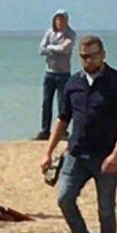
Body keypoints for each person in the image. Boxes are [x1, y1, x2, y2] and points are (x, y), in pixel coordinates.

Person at [40, 35, 117, 233]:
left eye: (92, 55)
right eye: (83, 56)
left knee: (106, 211)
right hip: (76, 153)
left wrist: (116, 154)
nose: (87, 60)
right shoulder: (73, 83)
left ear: (103, 55)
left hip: (106, 157)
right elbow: (63, 119)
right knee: (64, 199)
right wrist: (48, 151)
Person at [35, 10, 76, 140]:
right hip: (50, 73)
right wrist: (55, 49)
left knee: (63, 104)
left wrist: (50, 48)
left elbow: (65, 48)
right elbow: (41, 49)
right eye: (57, 19)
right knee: (46, 103)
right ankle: (45, 130)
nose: (59, 22)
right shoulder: (49, 32)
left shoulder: (71, 34)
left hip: (64, 74)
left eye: (62, 19)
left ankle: (62, 132)